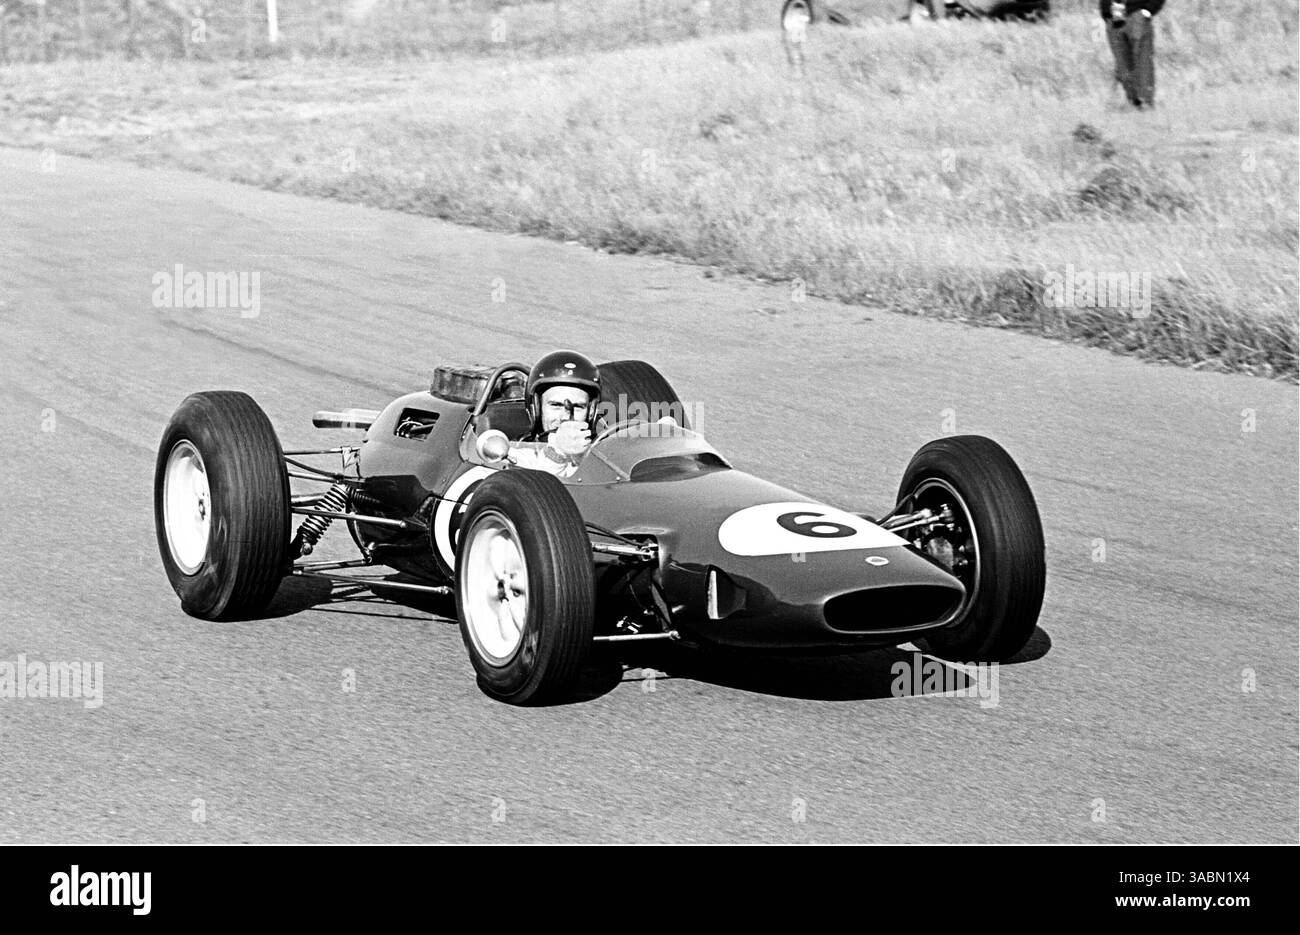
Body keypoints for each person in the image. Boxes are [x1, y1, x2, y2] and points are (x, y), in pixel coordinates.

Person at [504, 350, 601, 478]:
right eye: (556, 405)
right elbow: (539, 492)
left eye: (578, 407)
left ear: (591, 413)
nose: (565, 418)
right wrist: (557, 454)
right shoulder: (516, 455)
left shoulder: (602, 454)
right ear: (536, 408)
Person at [1102, 1, 1165, 109]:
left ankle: (1146, 106)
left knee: (1143, 64)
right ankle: (1134, 105)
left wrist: (1148, 10)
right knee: (1123, 68)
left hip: (1136, 15)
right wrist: (1106, 10)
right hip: (1113, 17)